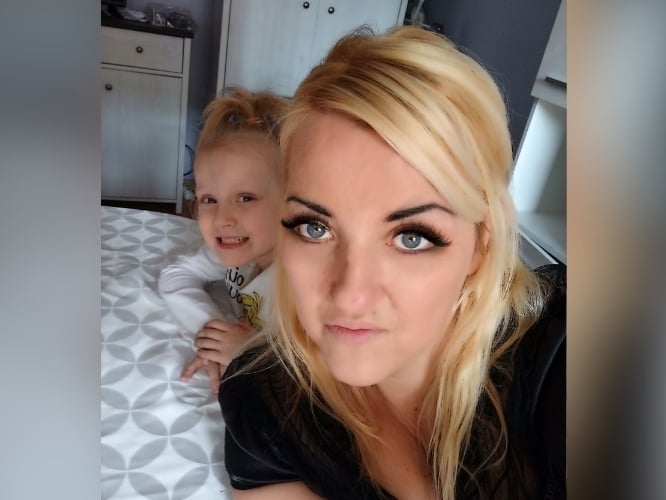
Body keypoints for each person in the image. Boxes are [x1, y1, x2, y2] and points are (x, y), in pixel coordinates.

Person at [219, 26, 565, 499]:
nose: (350, 295)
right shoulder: (265, 401)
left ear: (480, 245)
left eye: (411, 237)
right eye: (314, 228)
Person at [158, 88, 288, 394]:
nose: (222, 219)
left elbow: (321, 377)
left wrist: (248, 353)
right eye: (209, 199)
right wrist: (216, 337)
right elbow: (175, 277)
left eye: (246, 198)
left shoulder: (298, 285)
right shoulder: (238, 247)